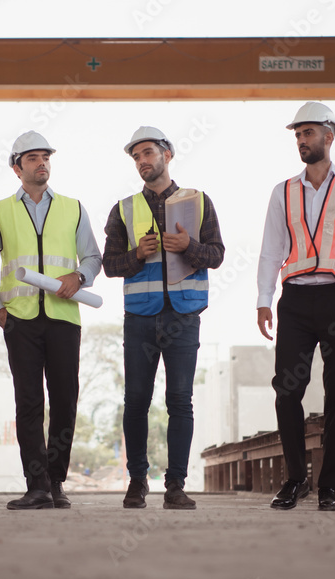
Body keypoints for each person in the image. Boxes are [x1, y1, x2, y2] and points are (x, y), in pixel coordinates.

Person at [256, 102, 335, 512]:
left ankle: (330, 486)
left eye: (308, 133)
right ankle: (295, 480)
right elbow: (270, 250)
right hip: (295, 301)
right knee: (287, 389)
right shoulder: (283, 191)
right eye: (297, 134)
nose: (301, 140)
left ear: (330, 135)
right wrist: (263, 300)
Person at [102, 126, 225, 510]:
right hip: (140, 317)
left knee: (179, 400)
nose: (143, 161)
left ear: (167, 155)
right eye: (137, 156)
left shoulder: (200, 202)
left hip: (184, 314)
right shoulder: (123, 209)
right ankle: (137, 482)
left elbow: (217, 255)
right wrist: (136, 254)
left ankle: (175, 485)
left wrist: (189, 246)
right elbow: (109, 265)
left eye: (148, 153)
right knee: (136, 400)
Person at [0, 131, 102, 510]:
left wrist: (79, 278)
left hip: (64, 318)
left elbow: (92, 258)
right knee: (29, 402)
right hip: (19, 319)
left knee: (65, 400)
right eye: (32, 158)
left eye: (45, 157)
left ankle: (55, 481)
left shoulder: (73, 207)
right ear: (17, 167)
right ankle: (36, 485)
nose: (41, 163)